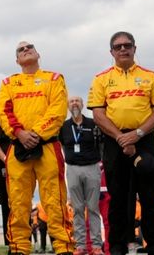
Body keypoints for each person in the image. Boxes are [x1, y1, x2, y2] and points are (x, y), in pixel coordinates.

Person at [88, 31, 154, 255]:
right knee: (119, 197)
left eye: (127, 45)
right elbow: (98, 114)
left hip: (145, 139)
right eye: (118, 46)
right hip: (114, 142)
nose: (123, 49)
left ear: (134, 48)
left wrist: (138, 134)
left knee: (150, 195)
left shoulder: (151, 76)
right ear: (111, 51)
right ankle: (117, 246)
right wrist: (121, 137)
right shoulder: (101, 78)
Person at [0, 41, 74, 255]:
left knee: (54, 199)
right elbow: (3, 111)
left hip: (48, 146)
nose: (26, 49)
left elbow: (58, 110)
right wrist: (20, 133)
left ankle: (63, 247)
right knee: (18, 201)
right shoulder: (8, 83)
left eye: (29, 47)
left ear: (38, 54)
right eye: (21, 49)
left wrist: (37, 134)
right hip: (17, 147)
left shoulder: (54, 79)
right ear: (17, 60)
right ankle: (19, 247)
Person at [59, 96, 104, 255]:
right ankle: (80, 246)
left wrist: (99, 162)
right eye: (71, 102)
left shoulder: (93, 124)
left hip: (92, 167)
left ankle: (97, 246)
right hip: (72, 169)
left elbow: (101, 144)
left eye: (77, 101)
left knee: (93, 208)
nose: (75, 103)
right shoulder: (64, 126)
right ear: (68, 106)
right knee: (77, 208)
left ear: (83, 104)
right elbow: (63, 145)